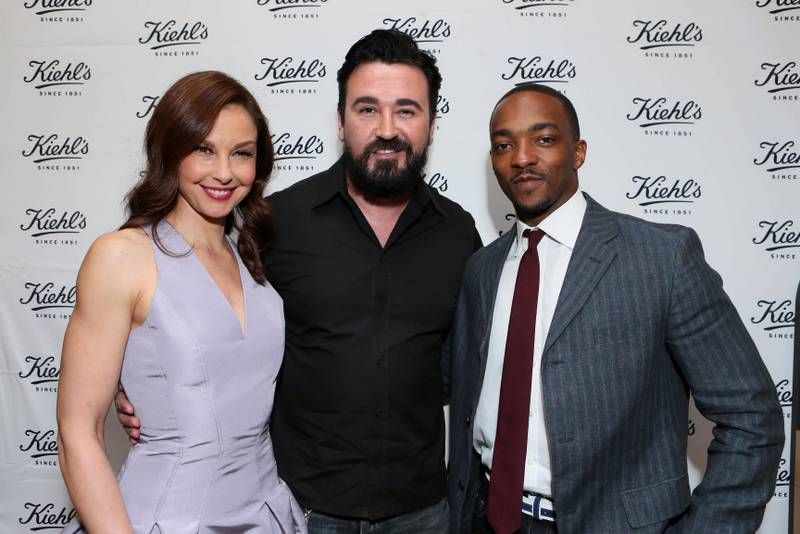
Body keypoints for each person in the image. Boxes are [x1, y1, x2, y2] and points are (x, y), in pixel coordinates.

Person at [117, 30, 481, 533]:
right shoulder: (277, 222)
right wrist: (141, 387)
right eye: (367, 109)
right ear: (341, 122)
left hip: (423, 512)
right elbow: (203, 324)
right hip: (299, 509)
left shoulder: (459, 233)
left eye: (407, 110)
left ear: (432, 124)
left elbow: (469, 363)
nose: (387, 129)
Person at [445, 83, 784, 533]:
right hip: (488, 519)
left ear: (578, 152)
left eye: (543, 139)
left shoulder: (661, 257)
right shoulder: (481, 270)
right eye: (504, 145)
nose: (521, 158)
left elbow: (751, 417)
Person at [57, 71, 306, 533]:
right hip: (167, 518)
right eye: (204, 149)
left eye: (242, 153)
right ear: (170, 151)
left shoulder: (250, 256)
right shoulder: (122, 256)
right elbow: (78, 432)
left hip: (265, 514)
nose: (224, 172)